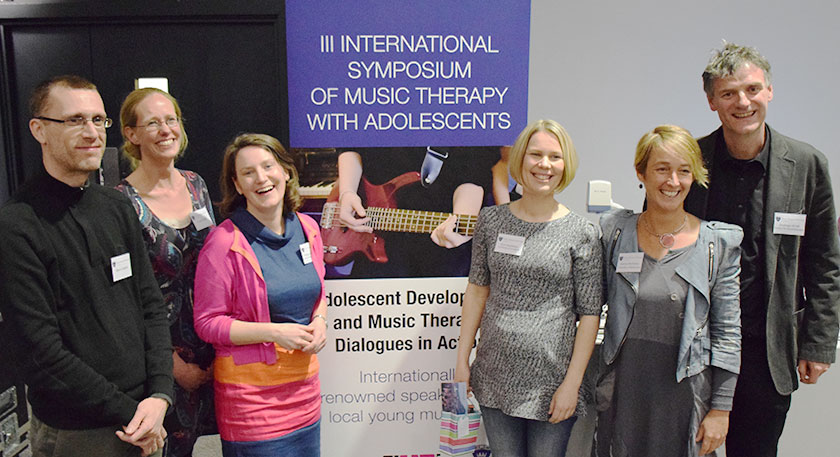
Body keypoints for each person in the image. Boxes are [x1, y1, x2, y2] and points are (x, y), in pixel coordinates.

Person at [0, 75, 172, 457]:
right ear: (39, 129)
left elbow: (150, 305)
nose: (92, 132)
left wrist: (160, 393)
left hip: (145, 415)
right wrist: (133, 413)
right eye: (75, 120)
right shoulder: (17, 225)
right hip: (80, 433)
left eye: (99, 120)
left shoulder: (115, 206)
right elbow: (40, 351)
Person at [685, 42, 840, 457]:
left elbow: (825, 263)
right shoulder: (690, 161)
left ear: (769, 91)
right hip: (695, 343)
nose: (743, 102)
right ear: (712, 100)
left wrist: (819, 344)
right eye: (729, 93)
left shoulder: (807, 164)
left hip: (765, 348)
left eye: (752, 89)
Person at [454, 119, 602, 457]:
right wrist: (462, 360)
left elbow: (590, 315)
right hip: (494, 374)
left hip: (552, 381)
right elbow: (477, 291)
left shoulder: (582, 233)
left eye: (555, 156)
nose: (545, 165)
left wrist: (572, 385)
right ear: (520, 159)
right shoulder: (491, 222)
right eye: (536, 154)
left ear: (566, 165)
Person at [596, 125, 742, 457]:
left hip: (685, 395)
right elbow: (589, 305)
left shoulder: (717, 244)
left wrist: (721, 409)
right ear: (641, 173)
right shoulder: (614, 232)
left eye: (683, 171)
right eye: (662, 169)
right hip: (624, 393)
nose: (672, 181)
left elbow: (728, 332)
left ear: (695, 176)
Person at [193, 133, 327, 456]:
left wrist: (320, 321)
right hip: (252, 407)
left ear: (286, 172)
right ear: (237, 185)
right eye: (248, 172)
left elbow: (318, 291)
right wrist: (273, 332)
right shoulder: (224, 241)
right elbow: (208, 323)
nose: (261, 178)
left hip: (306, 398)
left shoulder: (309, 228)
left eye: (268, 166)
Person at [115, 88, 216, 457]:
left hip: (212, 344)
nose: (165, 130)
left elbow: (216, 264)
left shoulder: (196, 184)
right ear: (131, 134)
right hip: (161, 357)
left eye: (170, 120)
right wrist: (176, 368)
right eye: (152, 122)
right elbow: (126, 300)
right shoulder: (120, 204)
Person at [335, 145, 499, 278]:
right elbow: (351, 143)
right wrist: (347, 191)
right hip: (373, 232)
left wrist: (462, 220)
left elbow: (474, 171)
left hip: (440, 243)